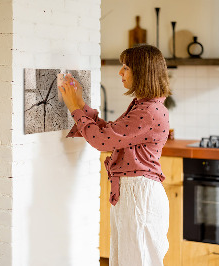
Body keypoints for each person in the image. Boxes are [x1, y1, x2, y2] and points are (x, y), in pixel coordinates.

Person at [59, 44, 171, 266]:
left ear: (142, 72)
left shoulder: (148, 111)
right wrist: (80, 104)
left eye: (126, 67)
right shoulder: (144, 106)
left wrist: (74, 107)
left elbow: (102, 141)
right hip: (134, 193)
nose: (120, 72)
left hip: (139, 195)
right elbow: (110, 133)